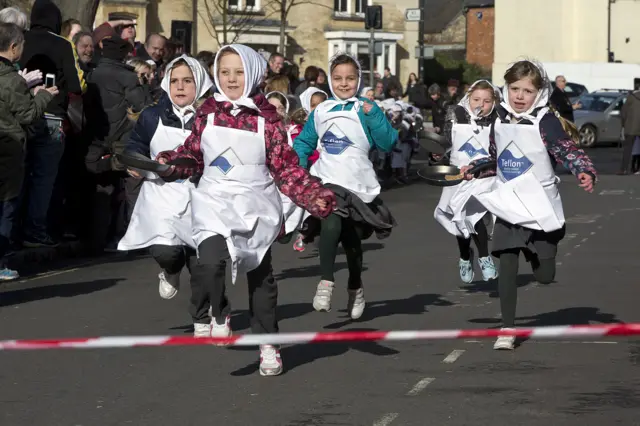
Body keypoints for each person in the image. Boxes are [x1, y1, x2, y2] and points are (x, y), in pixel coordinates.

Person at [156, 44, 335, 377]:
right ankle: (219, 313)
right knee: (208, 262)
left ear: (253, 74)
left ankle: (268, 344)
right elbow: (192, 154)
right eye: (224, 72)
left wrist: (313, 196)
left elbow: (286, 169)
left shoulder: (267, 121)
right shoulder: (206, 112)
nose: (231, 78)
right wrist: (170, 162)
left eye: (238, 72)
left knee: (261, 279)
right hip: (213, 201)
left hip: (255, 207)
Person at [461, 60, 596, 350]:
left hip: (540, 205)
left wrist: (583, 170)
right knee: (507, 264)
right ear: (505, 88)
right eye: (515, 89)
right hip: (508, 202)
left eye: (528, 91)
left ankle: (538, 255)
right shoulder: (498, 118)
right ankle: (507, 329)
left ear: (540, 92)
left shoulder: (544, 120)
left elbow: (566, 150)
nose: (520, 96)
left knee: (544, 276)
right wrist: (475, 167)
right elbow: (495, 159)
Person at [293, 53, 397, 320]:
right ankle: (326, 282)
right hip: (327, 178)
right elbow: (304, 142)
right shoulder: (321, 110)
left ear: (359, 80)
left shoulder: (366, 108)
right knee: (331, 218)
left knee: (350, 238)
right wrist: (301, 167)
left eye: (350, 78)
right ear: (330, 80)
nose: (343, 83)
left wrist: (374, 115)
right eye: (338, 78)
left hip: (357, 181)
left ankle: (355, 286)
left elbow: (388, 143)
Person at [118, 55, 212, 303]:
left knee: (201, 267)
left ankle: (204, 319)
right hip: (161, 195)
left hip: (199, 198)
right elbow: (133, 148)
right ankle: (170, 270)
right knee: (166, 252)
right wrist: (138, 164)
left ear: (200, 84)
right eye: (174, 81)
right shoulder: (152, 116)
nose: (179, 86)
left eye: (187, 81)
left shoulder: (211, 118)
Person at [0, 23, 57, 280]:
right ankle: (1, 262)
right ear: (13, 47)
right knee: (6, 208)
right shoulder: (11, 80)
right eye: (21, 46)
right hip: (8, 151)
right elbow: (29, 114)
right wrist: (42, 95)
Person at [434, 80, 499, 283]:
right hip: (457, 176)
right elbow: (445, 144)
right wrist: (437, 153)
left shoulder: (497, 121)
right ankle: (464, 256)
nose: (481, 104)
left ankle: (484, 257)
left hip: (483, 176)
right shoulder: (455, 115)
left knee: (475, 216)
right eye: (476, 99)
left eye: (486, 101)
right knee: (458, 218)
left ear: (494, 102)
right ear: (468, 99)